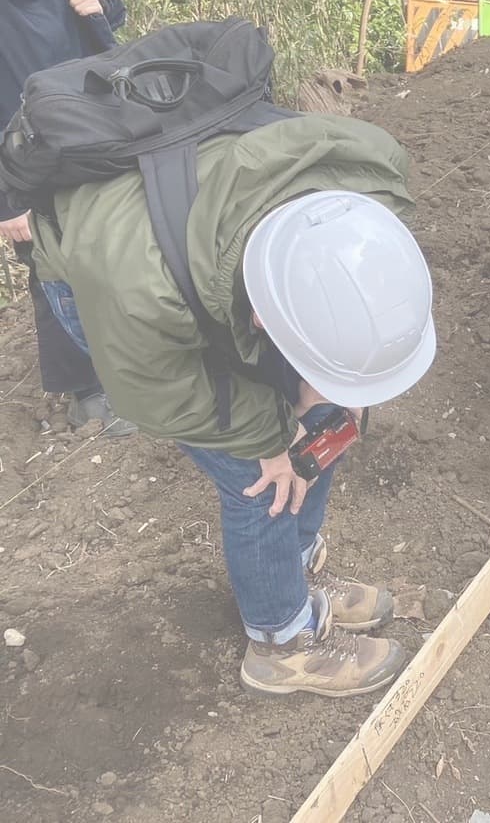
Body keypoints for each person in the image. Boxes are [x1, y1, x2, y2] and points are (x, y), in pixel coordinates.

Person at [29, 113, 436, 698]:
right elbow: (162, 398)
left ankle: (292, 566)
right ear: (262, 317)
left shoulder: (373, 182)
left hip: (209, 239)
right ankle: (280, 643)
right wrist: (270, 439)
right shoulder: (140, 300)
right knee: (258, 472)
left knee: (319, 425)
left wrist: (321, 401)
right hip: (105, 278)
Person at [0, 0, 133, 435]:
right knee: (52, 260)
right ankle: (87, 389)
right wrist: (4, 199)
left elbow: (114, 11)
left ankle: (137, 365)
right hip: (21, 147)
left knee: (116, 241)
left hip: (89, 123)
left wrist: (96, 0)